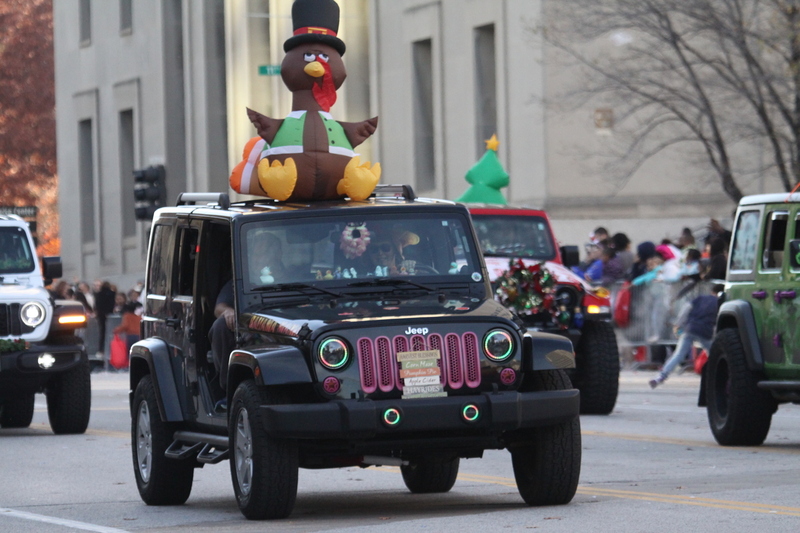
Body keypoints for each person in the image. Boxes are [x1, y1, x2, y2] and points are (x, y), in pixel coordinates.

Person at [650, 286, 719, 388]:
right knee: (714, 355)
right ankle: (718, 378)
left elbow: (686, 308)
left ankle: (661, 376)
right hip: (705, 332)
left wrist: (678, 324)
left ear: (712, 291)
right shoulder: (719, 303)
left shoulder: (700, 298)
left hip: (690, 328)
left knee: (678, 355)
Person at [209, 277, 235, 410]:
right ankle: (228, 391)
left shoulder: (294, 275)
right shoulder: (239, 280)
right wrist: (227, 311)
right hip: (246, 331)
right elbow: (219, 307)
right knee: (220, 325)